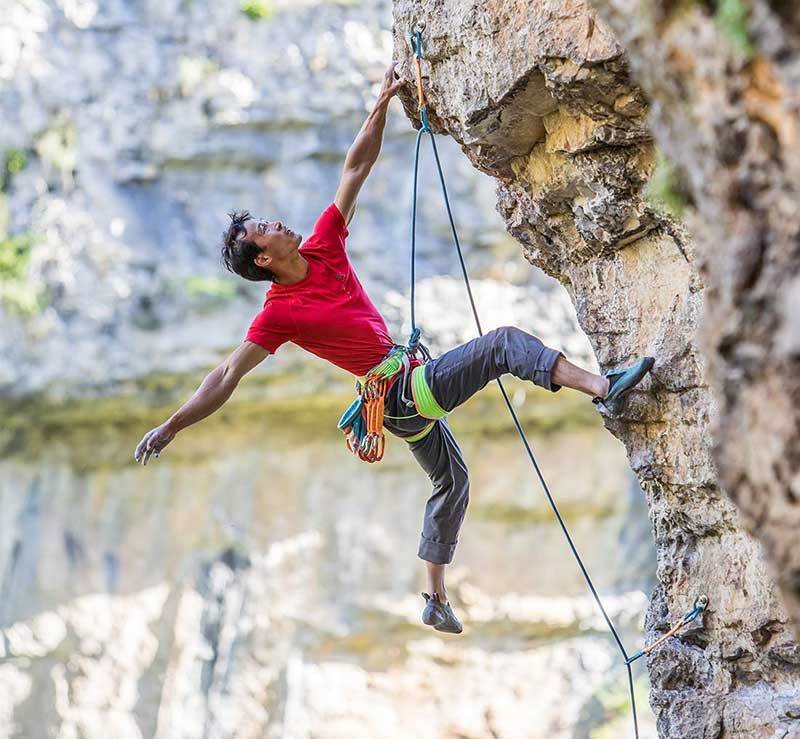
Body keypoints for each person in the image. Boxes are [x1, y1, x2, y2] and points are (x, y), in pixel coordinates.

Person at [134, 61, 653, 634]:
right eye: (263, 228)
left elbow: (356, 166)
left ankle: (433, 598)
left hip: (400, 394)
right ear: (263, 258)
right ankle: (604, 389)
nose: (276, 222)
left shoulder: (323, 245)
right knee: (503, 344)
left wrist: (381, 103)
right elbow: (227, 375)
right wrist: (173, 425)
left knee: (451, 480)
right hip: (402, 394)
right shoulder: (278, 314)